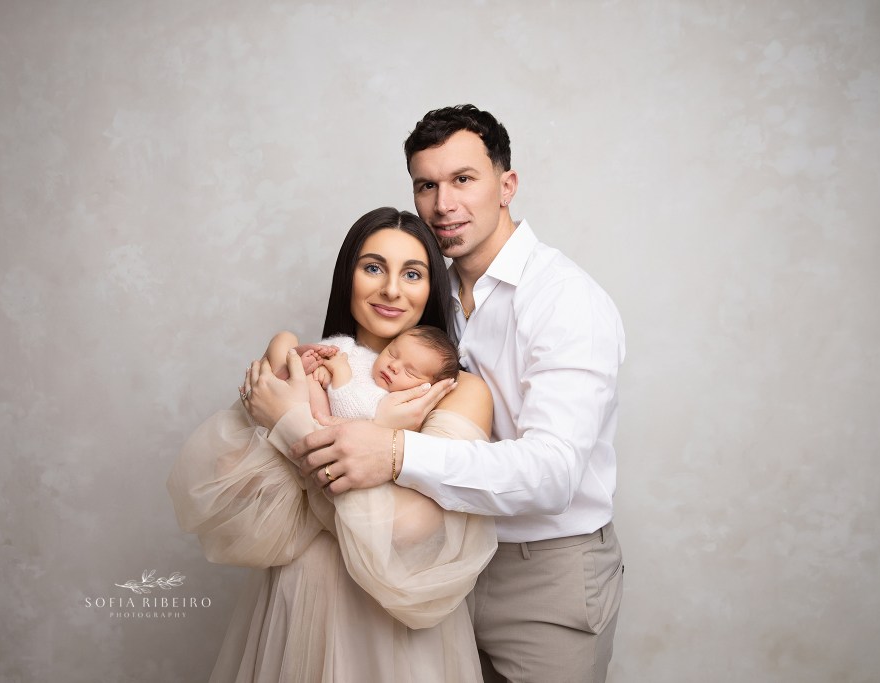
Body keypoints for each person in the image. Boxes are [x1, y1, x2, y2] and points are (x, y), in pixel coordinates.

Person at [282, 106, 627, 682]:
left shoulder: (564, 299)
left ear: (506, 184)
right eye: (427, 185)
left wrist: (395, 454)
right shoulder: (426, 300)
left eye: (463, 179)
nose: (444, 204)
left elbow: (554, 473)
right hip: (441, 564)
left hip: (545, 574)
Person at [167, 207, 496, 682]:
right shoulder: (310, 364)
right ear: (349, 276)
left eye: (413, 273)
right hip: (297, 597)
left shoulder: (457, 390)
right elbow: (234, 501)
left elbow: (408, 530)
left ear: (432, 289)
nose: (391, 289)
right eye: (373, 267)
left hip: (389, 623)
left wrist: (290, 423)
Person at [257, 325, 461, 421]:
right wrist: (318, 356)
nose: (393, 366)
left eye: (410, 372)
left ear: (424, 389)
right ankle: (285, 373)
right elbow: (336, 349)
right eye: (392, 353)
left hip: (310, 419)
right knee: (285, 338)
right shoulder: (358, 352)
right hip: (295, 386)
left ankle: (283, 381)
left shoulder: (387, 399)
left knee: (310, 386)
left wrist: (339, 375)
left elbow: (352, 413)